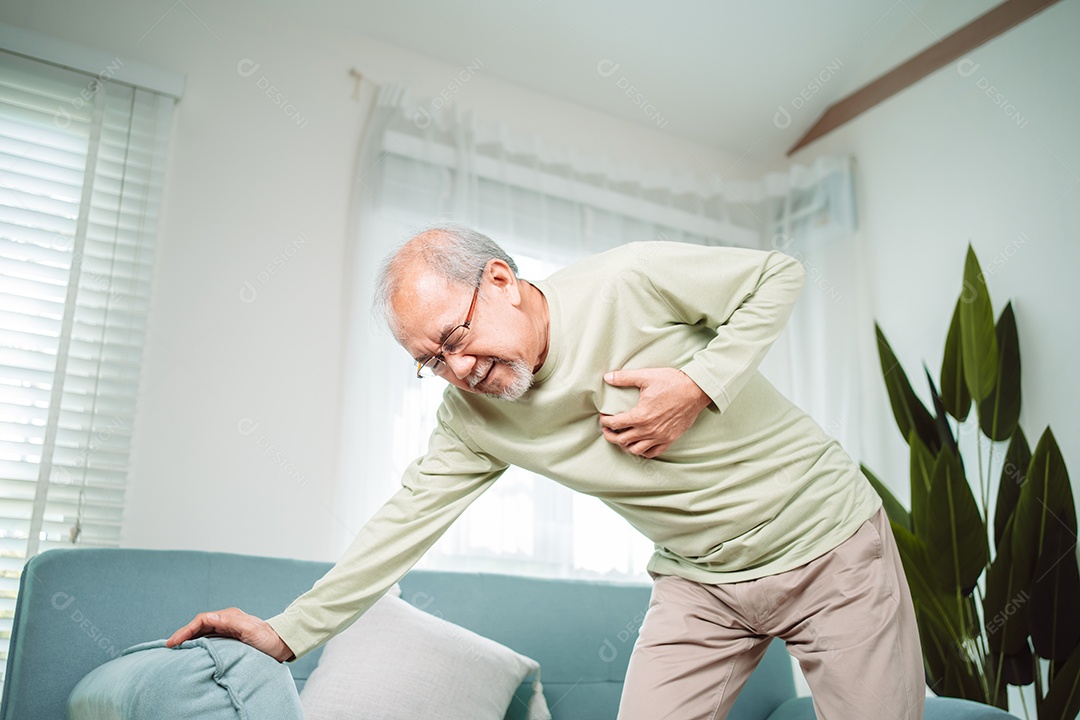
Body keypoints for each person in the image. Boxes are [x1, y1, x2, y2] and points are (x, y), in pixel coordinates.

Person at [168, 224, 924, 719]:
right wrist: (286, 633)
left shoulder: (629, 280)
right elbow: (399, 526)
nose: (458, 368)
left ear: (500, 280)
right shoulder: (474, 417)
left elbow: (776, 276)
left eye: (455, 337)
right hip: (702, 587)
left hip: (828, 548)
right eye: (432, 362)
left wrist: (698, 386)